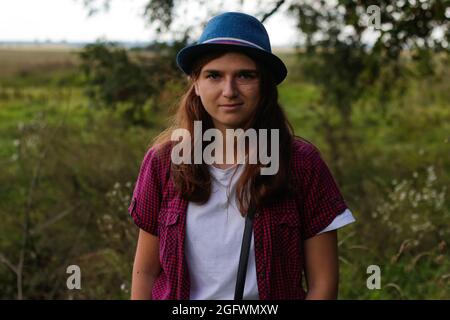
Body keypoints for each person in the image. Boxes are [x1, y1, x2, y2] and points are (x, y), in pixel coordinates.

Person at [128, 12, 355, 300]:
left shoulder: (301, 162)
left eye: (245, 75)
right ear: (196, 84)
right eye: (214, 75)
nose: (229, 90)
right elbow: (145, 272)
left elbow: (323, 284)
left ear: (265, 85)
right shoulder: (163, 162)